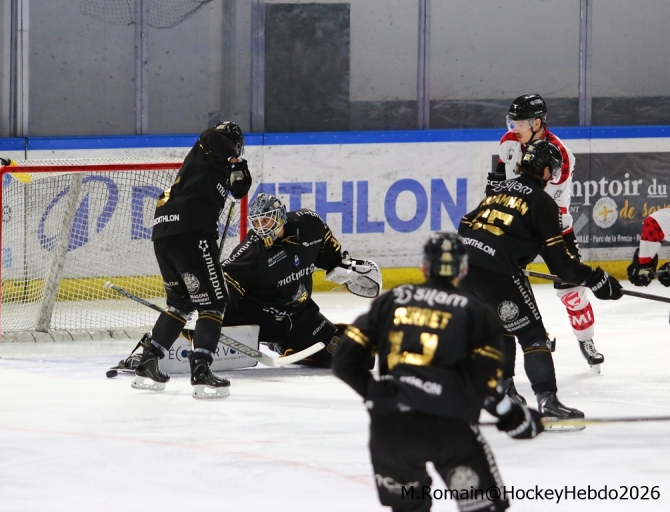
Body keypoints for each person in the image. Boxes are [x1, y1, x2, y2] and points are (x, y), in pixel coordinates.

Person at [332, 232, 544, 512]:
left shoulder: (392, 301)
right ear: (463, 269)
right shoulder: (476, 312)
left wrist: (378, 395)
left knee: (409, 508)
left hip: (392, 428)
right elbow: (484, 382)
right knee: (483, 507)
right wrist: (512, 416)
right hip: (449, 429)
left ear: (424, 267)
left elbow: (344, 362)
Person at [460, 139, 623, 419]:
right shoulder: (543, 202)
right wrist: (597, 279)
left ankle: (503, 389)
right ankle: (548, 402)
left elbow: (466, 223)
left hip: (462, 269)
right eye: (552, 171)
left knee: (502, 324)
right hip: (496, 273)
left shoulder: (499, 190)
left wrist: (490, 253)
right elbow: (562, 267)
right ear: (546, 171)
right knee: (533, 335)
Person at [131, 121, 252, 399]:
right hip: (191, 234)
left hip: (165, 235)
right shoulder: (208, 146)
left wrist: (237, 172)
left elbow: (238, 190)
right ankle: (201, 371)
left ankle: (148, 362)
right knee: (214, 303)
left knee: (181, 303)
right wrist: (235, 160)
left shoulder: (210, 166)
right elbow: (210, 135)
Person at [491, 94, 604, 372]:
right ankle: (536, 331)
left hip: (552, 224)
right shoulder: (509, 141)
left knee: (572, 290)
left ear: (537, 123)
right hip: (517, 223)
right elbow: (500, 173)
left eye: (519, 123)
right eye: (512, 122)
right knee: (503, 283)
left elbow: (541, 204)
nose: (513, 128)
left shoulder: (559, 155)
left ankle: (586, 340)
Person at [221, 193, 381, 368]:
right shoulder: (252, 251)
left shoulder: (309, 225)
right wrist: (209, 317)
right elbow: (226, 288)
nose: (261, 227)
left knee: (360, 359)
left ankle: (285, 345)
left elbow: (331, 258)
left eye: (265, 220)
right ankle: (283, 342)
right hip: (259, 319)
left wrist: (346, 269)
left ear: (280, 216)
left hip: (300, 316)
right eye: (256, 222)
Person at [627, 208, 670, 286]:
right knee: (644, 263)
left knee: (644, 263)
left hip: (658, 219)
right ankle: (642, 267)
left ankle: (642, 267)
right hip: (657, 221)